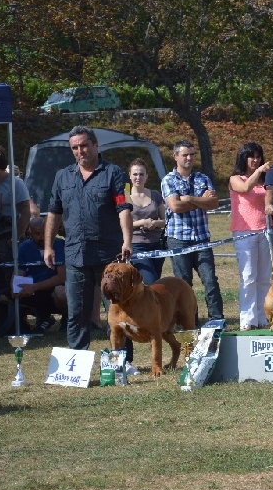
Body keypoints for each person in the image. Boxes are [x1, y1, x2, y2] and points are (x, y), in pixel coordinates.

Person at [44, 126, 133, 350]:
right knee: (76, 312)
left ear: (95, 145)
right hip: (75, 254)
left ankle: (123, 360)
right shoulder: (61, 176)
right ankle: (77, 359)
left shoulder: (116, 173)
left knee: (117, 309)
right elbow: (54, 213)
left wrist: (127, 240)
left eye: (84, 145)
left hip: (109, 254)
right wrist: (48, 246)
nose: (80, 151)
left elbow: (125, 208)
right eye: (75, 147)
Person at [161, 140, 223, 322]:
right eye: (185, 155)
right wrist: (199, 200)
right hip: (178, 239)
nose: (189, 158)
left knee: (210, 281)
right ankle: (190, 323)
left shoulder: (203, 178)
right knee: (183, 285)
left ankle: (216, 320)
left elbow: (213, 203)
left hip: (202, 239)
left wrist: (188, 198)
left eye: (192, 154)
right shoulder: (168, 180)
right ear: (175, 157)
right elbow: (175, 206)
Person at [229, 142, 273, 330]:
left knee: (264, 277)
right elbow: (246, 188)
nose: (255, 160)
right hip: (244, 232)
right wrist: (260, 171)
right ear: (244, 158)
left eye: (258, 156)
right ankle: (248, 319)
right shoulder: (234, 178)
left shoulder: (265, 179)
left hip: (265, 230)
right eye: (251, 156)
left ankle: (263, 317)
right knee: (248, 277)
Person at [0, 145, 32, 298]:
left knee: (13, 278)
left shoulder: (16, 184)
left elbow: (26, 212)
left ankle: (20, 315)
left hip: (9, 239)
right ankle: (6, 315)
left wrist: (16, 237)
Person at [13, 216, 66, 333]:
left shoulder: (60, 245)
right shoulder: (25, 247)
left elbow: (61, 277)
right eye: (37, 233)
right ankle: (41, 318)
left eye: (45, 233)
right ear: (29, 233)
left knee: (61, 293)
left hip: (53, 288)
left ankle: (67, 317)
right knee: (6, 296)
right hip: (33, 289)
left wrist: (34, 287)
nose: (42, 237)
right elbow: (19, 274)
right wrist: (15, 288)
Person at [128, 158, 166, 284]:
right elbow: (120, 225)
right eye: (135, 174)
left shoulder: (155, 195)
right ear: (130, 175)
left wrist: (155, 223)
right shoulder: (123, 197)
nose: (138, 177)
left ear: (147, 176)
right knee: (151, 282)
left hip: (156, 244)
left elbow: (167, 220)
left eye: (141, 174)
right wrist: (142, 222)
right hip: (136, 245)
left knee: (155, 281)